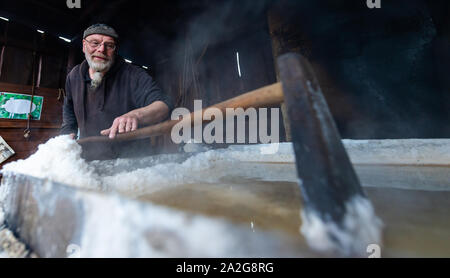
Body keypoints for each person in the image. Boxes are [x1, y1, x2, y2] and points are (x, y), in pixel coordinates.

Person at [61, 23, 173, 160]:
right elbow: (69, 108)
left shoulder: (133, 75)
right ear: (84, 45)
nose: (101, 49)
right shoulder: (74, 76)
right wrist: (68, 133)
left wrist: (136, 115)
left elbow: (164, 105)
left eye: (109, 45)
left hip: (131, 162)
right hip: (89, 161)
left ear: (115, 50)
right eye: (95, 43)